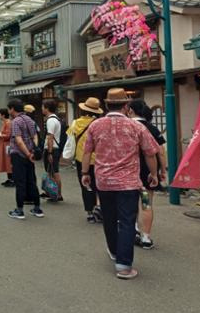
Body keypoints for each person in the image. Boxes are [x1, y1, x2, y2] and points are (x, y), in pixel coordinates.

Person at [81, 88, 160, 280]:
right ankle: (124, 265)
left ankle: (114, 251)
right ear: (126, 106)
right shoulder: (136, 127)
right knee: (126, 221)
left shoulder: (95, 125)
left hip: (104, 180)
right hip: (128, 182)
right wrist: (154, 174)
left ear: (107, 105)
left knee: (109, 218)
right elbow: (150, 152)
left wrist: (85, 173)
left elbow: (86, 152)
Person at [128, 99, 167, 249]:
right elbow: (160, 152)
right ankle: (146, 237)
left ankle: (132, 232)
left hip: (129, 173)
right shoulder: (152, 128)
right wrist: (162, 171)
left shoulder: (128, 127)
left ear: (131, 111)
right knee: (146, 203)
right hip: (148, 173)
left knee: (129, 203)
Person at [66, 97, 103, 223]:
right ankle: (100, 207)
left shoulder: (76, 123)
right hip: (99, 158)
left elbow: (70, 137)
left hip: (81, 158)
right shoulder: (100, 124)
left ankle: (90, 212)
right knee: (99, 185)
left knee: (86, 185)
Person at [7, 99, 44, 220]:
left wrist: (27, 154)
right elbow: (35, 136)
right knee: (31, 181)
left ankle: (19, 210)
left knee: (20, 182)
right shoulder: (30, 120)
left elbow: (18, 140)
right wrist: (33, 151)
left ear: (12, 109)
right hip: (30, 155)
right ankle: (37, 208)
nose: (8, 111)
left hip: (19, 155)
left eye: (9, 109)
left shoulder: (15, 121)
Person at [42, 99, 63, 201]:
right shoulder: (56, 119)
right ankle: (52, 192)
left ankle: (57, 194)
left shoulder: (50, 120)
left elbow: (50, 137)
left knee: (54, 172)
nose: (42, 109)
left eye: (43, 107)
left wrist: (49, 152)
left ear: (47, 108)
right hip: (55, 148)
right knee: (51, 171)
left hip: (52, 149)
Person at [0, 108, 13, 187]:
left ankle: (12, 179)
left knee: (8, 161)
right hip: (4, 144)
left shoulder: (8, 123)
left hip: (7, 145)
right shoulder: (5, 122)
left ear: (3, 115)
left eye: (0, 114)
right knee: (6, 162)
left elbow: (8, 135)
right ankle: (9, 178)